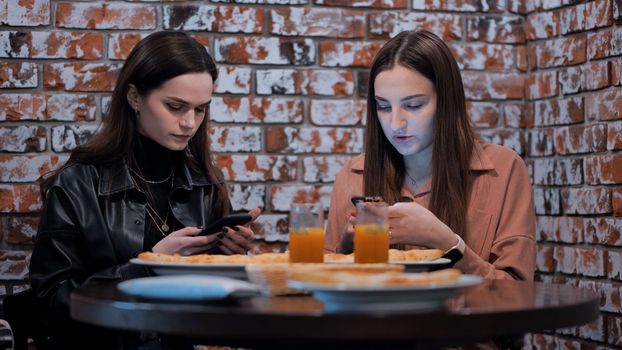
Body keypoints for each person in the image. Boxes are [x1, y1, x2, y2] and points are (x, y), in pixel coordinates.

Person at [29, 31, 260, 349]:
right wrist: (148, 265)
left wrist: (230, 257)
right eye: (176, 106)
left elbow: (215, 308)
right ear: (135, 97)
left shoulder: (206, 184)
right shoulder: (78, 183)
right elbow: (50, 302)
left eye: (200, 109)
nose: (189, 123)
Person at [325, 30, 536, 281]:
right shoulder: (352, 176)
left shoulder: (503, 169)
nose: (395, 124)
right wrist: (347, 250)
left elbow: (517, 293)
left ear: (446, 102)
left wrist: (447, 242)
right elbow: (324, 292)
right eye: (383, 106)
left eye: (413, 105)